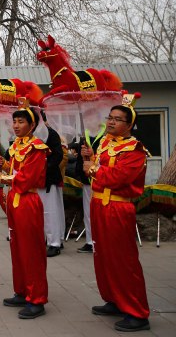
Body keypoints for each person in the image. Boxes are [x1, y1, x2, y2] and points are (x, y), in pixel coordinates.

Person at [82, 95, 151, 332]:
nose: (111, 122)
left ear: (129, 125)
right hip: (99, 205)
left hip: (118, 208)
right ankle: (114, 299)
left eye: (117, 119)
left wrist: (93, 170)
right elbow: (98, 170)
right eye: (110, 118)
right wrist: (89, 158)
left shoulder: (135, 149)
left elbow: (119, 178)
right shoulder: (105, 143)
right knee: (102, 256)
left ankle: (137, 312)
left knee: (124, 260)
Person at [0, 98, 49, 319]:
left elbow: (27, 179)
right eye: (14, 121)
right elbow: (17, 170)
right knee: (17, 249)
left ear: (32, 124)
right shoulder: (17, 146)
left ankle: (37, 299)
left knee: (31, 251)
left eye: (21, 122)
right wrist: (6, 164)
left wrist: (4, 176)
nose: (16, 125)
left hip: (27, 201)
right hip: (15, 200)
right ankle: (22, 290)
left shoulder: (37, 148)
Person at [38, 111, 66, 257]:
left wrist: (42, 168)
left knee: (50, 212)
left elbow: (58, 155)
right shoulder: (26, 137)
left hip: (48, 179)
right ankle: (43, 239)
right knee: (38, 213)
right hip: (33, 181)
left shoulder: (51, 134)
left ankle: (54, 243)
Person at [73, 131, 104, 253]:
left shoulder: (106, 134)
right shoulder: (86, 134)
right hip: (87, 179)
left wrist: (93, 155)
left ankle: (101, 241)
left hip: (102, 180)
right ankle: (90, 241)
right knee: (88, 212)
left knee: (100, 212)